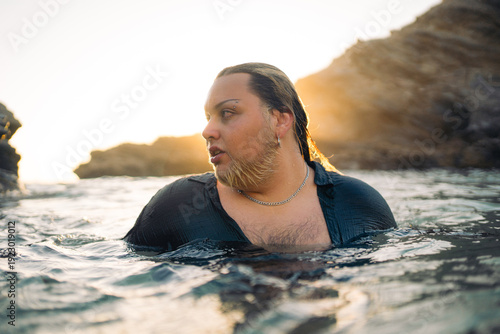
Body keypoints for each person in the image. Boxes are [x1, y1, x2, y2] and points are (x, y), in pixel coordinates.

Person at [124, 62, 396, 252]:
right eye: (208, 118)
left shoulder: (359, 204)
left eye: (227, 113)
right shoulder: (177, 207)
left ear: (279, 120)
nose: (207, 131)